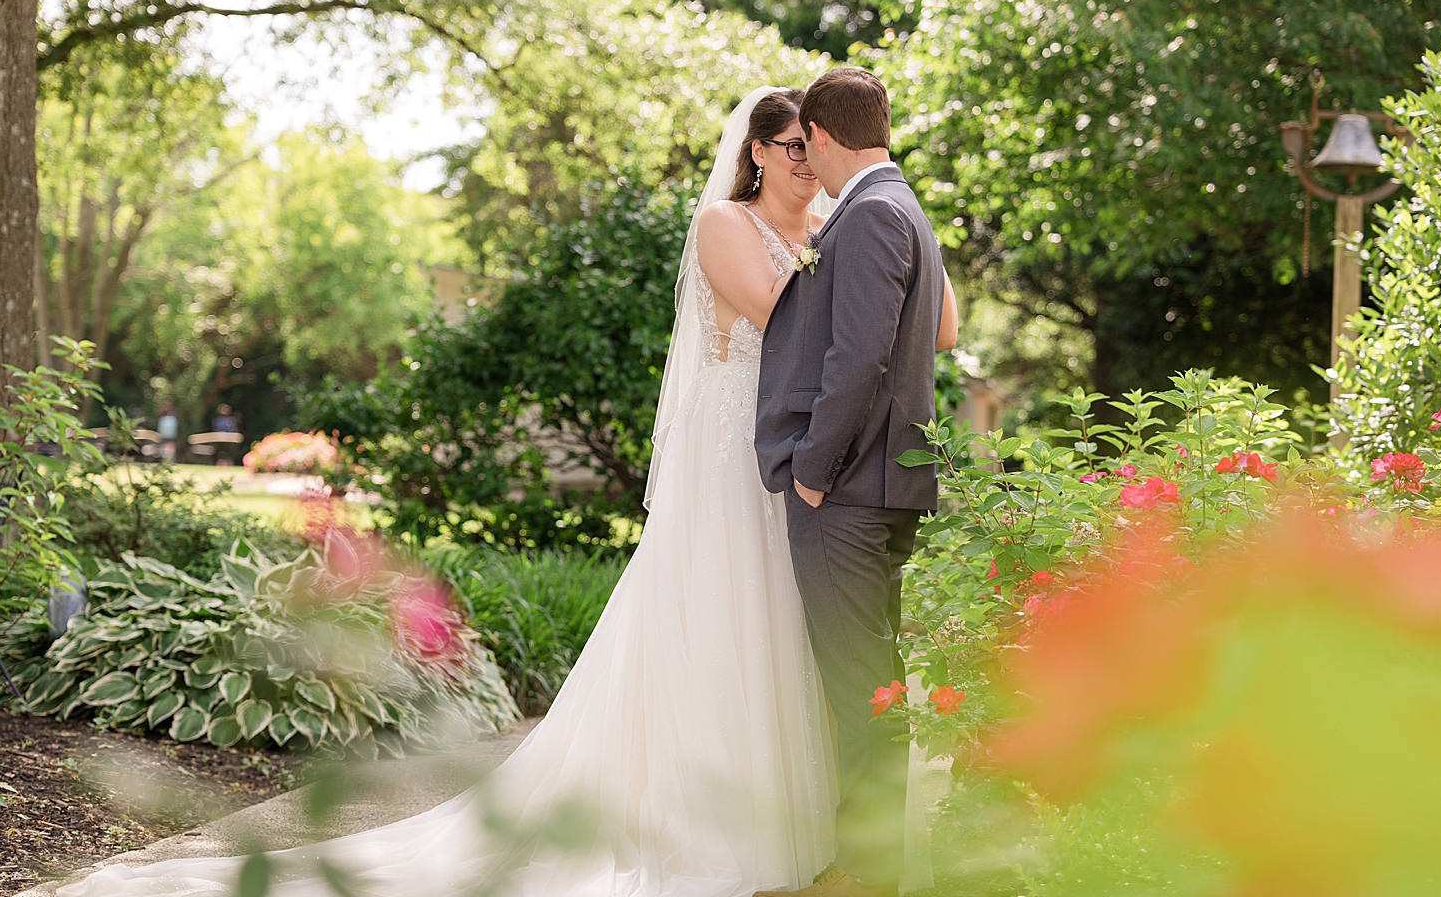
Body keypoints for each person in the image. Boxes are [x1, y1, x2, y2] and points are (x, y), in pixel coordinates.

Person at [59, 85, 957, 897]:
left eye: (813, 147)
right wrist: (847, 262)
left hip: (811, 474)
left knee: (811, 655)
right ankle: (711, 824)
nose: (805, 163)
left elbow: (903, 322)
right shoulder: (730, 226)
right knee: (728, 633)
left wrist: (882, 251)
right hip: (744, 467)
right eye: (791, 147)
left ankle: (820, 833)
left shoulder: (849, 228)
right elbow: (790, 323)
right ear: (759, 151)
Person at [754, 67, 946, 897]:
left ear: (825, 136)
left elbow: (858, 358)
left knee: (859, 687)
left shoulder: (867, 215)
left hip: (849, 495)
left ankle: (865, 876)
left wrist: (812, 474)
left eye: (809, 146)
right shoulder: (904, 207)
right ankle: (869, 863)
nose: (809, 164)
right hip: (881, 491)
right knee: (874, 682)